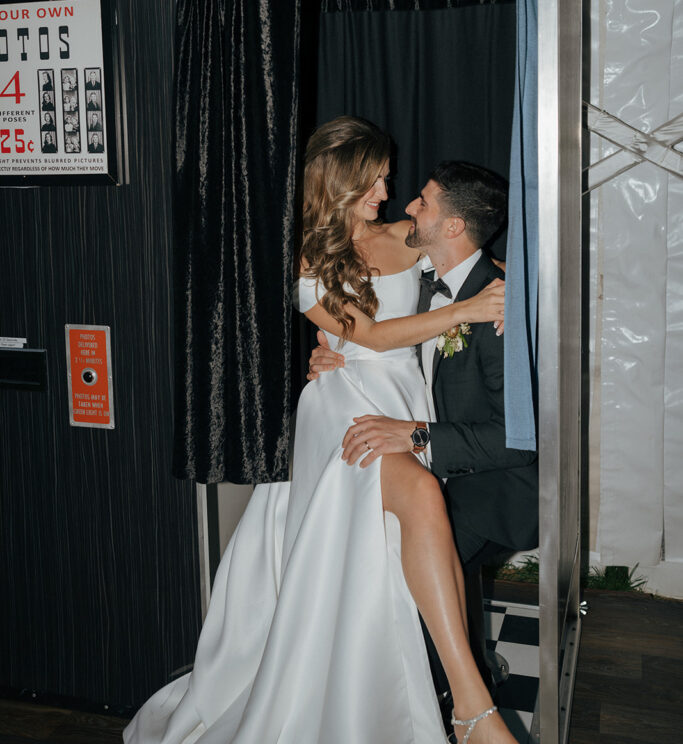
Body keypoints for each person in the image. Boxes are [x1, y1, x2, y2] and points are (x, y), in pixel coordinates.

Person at [125, 116, 512, 744]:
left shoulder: (405, 237)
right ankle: (473, 707)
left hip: (403, 397)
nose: (389, 193)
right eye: (377, 181)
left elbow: (468, 257)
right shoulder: (306, 255)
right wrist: (464, 314)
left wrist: (510, 287)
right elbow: (372, 336)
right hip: (340, 403)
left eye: (389, 181)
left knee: (403, 525)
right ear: (341, 182)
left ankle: (445, 693)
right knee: (418, 495)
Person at [311, 160, 539, 703]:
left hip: (495, 483)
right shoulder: (423, 282)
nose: (406, 206)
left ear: (454, 227)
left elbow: (515, 440)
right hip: (446, 463)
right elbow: (375, 331)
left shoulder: (501, 310)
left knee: (401, 556)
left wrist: (412, 435)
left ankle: (440, 698)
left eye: (424, 201)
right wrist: (331, 353)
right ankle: (458, 670)